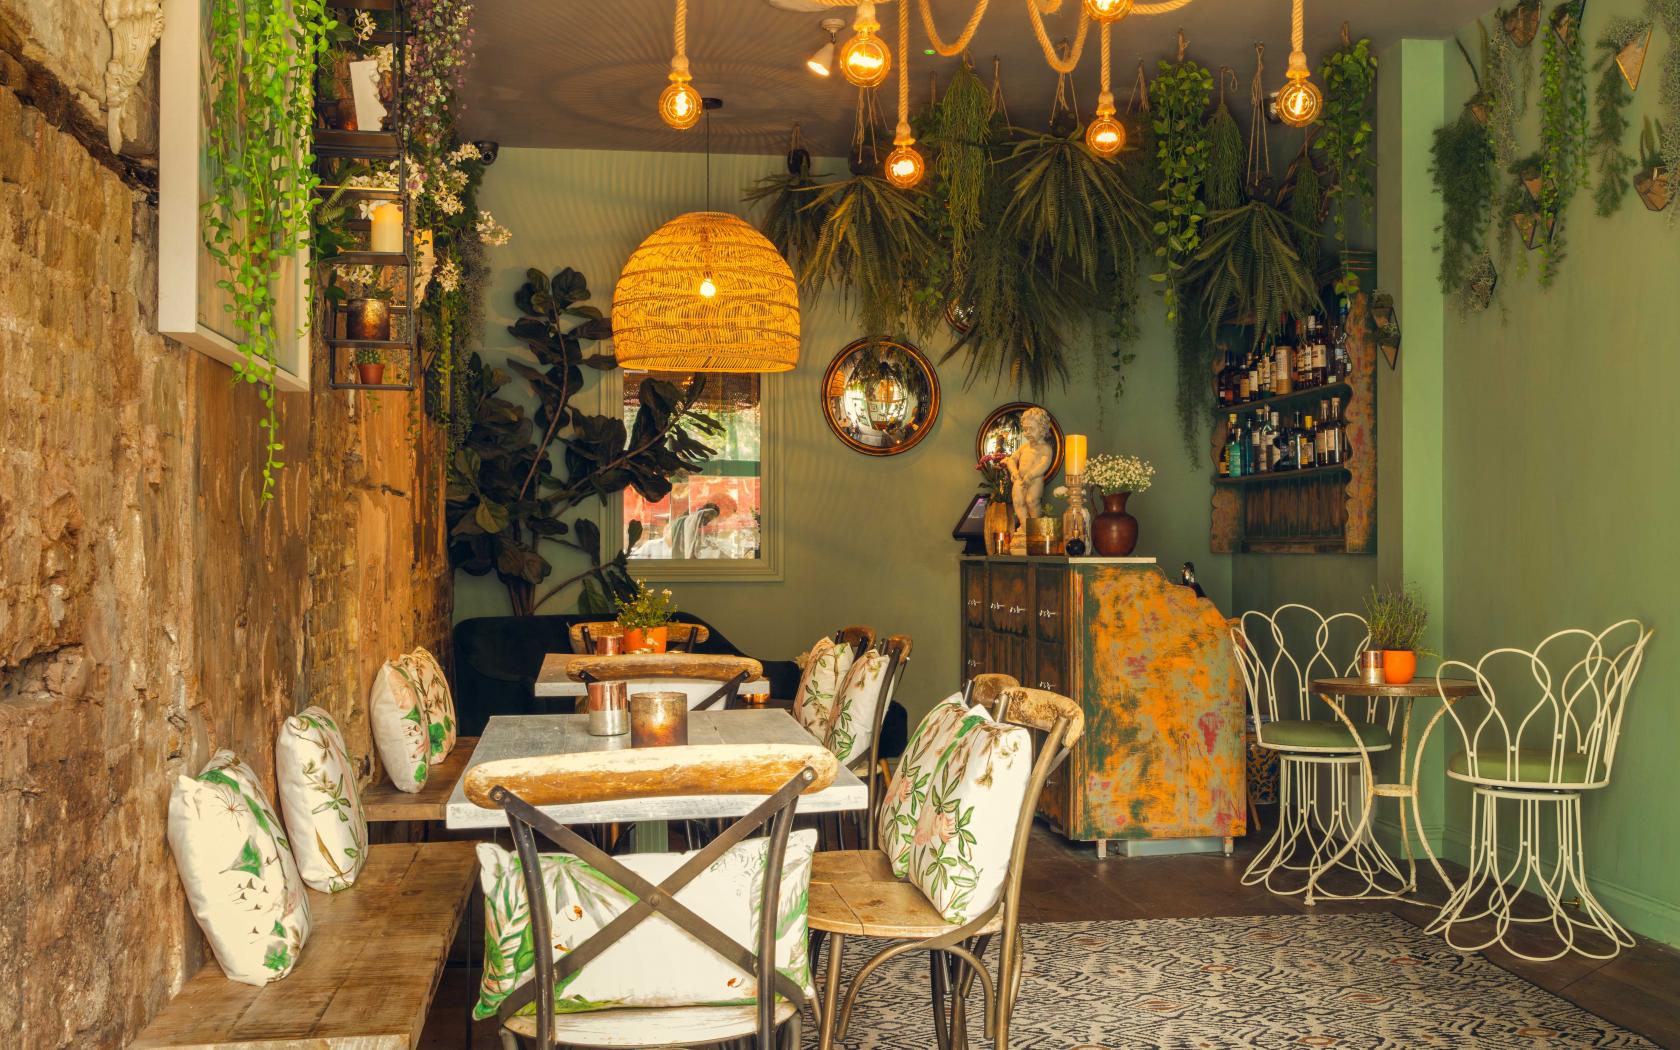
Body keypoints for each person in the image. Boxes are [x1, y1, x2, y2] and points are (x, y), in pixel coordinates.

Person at [1005, 407, 1055, 541]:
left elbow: (1044, 464)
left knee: (1032, 501)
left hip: (1034, 480)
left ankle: (1036, 528)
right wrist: (1014, 471)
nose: (1027, 433)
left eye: (1031, 429)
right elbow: (1011, 459)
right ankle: (1025, 527)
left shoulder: (1045, 448)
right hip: (1020, 479)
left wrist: (1031, 475)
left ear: (1042, 429)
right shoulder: (1024, 447)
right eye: (1025, 429)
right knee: (1017, 501)